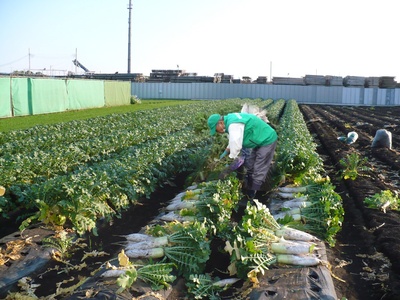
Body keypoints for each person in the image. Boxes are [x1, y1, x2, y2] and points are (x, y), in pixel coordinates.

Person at [207, 112, 278, 204]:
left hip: (267, 140)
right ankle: (251, 189)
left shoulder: (233, 125)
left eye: (215, 129)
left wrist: (230, 163)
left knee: (259, 170)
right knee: (251, 166)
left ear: (220, 123)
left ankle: (254, 198)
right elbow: (234, 139)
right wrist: (227, 151)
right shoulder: (230, 121)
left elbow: (236, 146)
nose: (217, 131)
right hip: (259, 140)